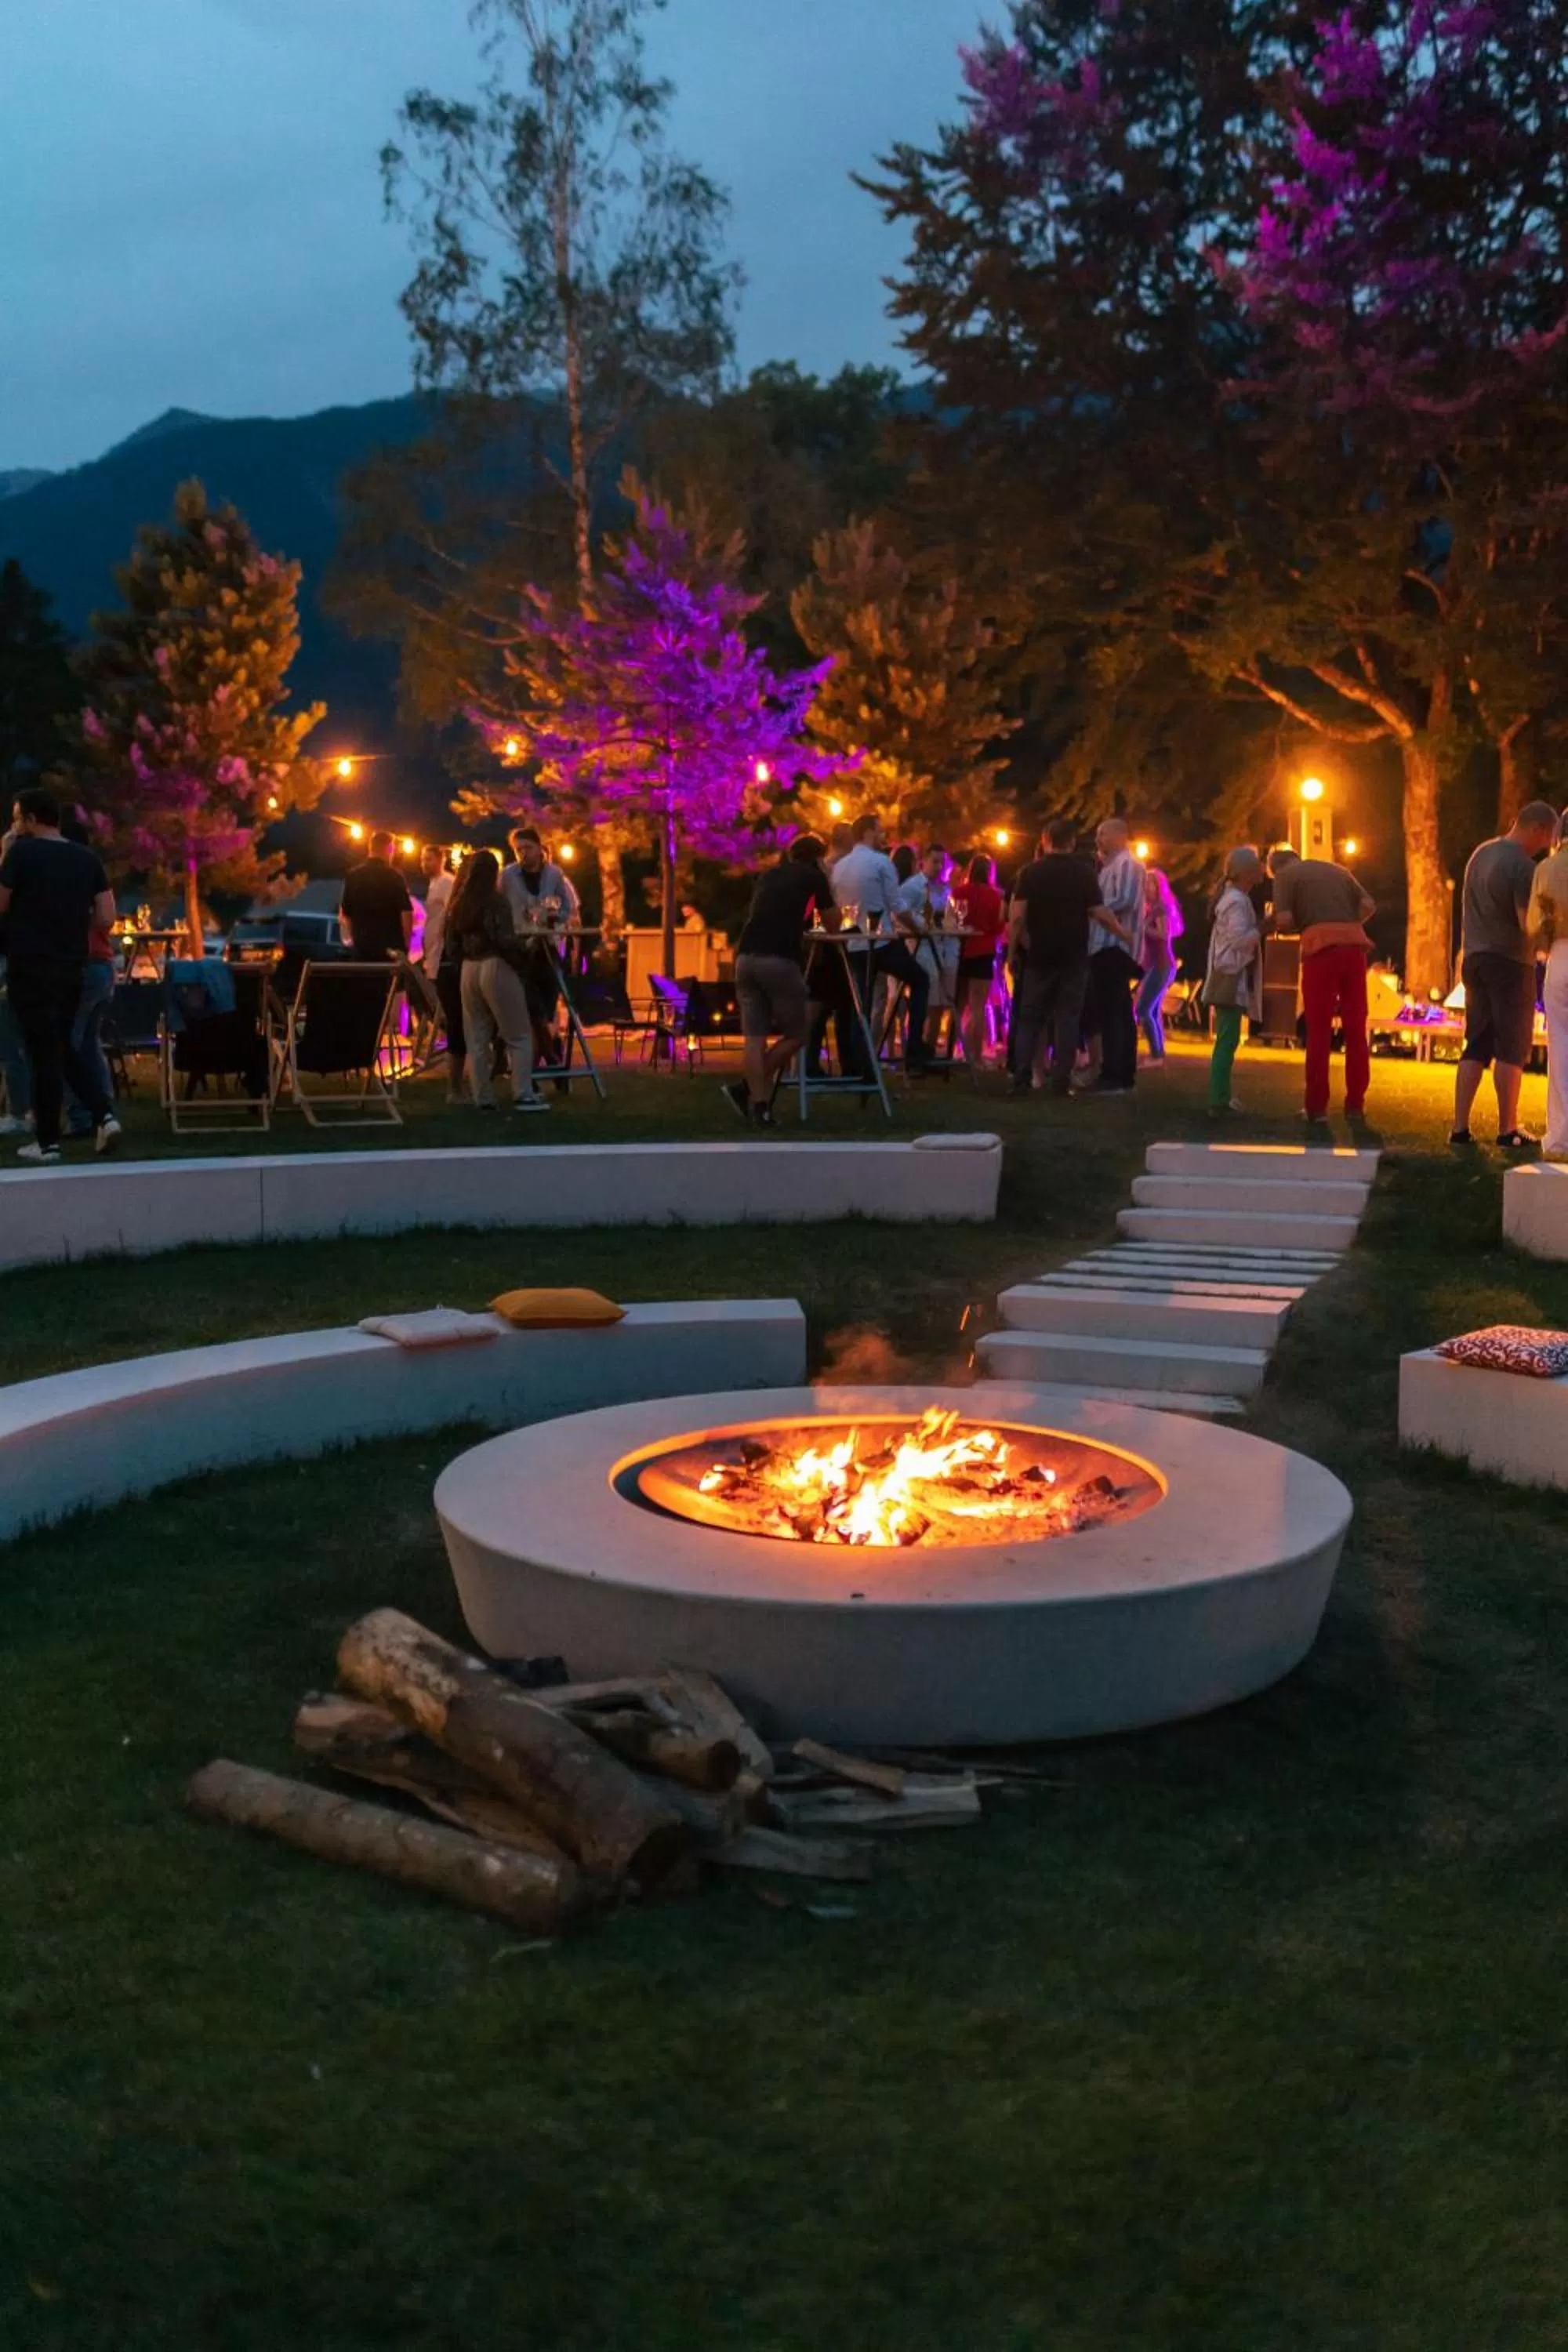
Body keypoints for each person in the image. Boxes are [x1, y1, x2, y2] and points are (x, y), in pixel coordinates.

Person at [0, 786, 121, 1162]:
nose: (15, 824)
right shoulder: (86, 858)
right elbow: (107, 916)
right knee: (62, 1045)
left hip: (30, 964)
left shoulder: (21, 852)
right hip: (72, 965)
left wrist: (5, 851)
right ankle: (104, 1114)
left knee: (41, 1052)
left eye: (18, 817)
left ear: (32, 819)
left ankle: (48, 1142)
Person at [1451, 801, 1559, 1150]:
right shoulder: (1522, 866)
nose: (1546, 847)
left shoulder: (1481, 854)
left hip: (1475, 956)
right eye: (1546, 840)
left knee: (1477, 1042)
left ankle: (1460, 1128)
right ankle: (1507, 1128)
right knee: (1512, 1046)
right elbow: (1525, 921)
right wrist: (1550, 940)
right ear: (1537, 829)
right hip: (1510, 963)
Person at [1007, 818, 1128, 1098]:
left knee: (1030, 1018)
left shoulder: (1030, 873)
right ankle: (1061, 1082)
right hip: (1074, 956)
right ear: (1072, 842)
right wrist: (1125, 935)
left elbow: (1016, 918)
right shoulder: (1085, 874)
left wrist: (1013, 953)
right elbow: (1100, 912)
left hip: (1040, 956)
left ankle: (1022, 1078)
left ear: (1046, 840)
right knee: (1068, 1019)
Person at [728, 833, 839, 1124]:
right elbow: (834, 924)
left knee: (754, 1039)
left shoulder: (769, 875)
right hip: (779, 960)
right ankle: (745, 1088)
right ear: (817, 858)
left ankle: (760, 1107)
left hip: (745, 957)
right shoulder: (814, 878)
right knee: (797, 1034)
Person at [1268, 843, 1376, 1125]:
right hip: (1354, 948)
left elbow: (1285, 920)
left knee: (1319, 1029)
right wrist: (1346, 924)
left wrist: (1302, 925)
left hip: (1320, 951)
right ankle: (1355, 1104)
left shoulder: (1284, 877)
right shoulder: (1337, 870)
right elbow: (1368, 906)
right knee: (1355, 1028)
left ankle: (1317, 1108)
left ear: (1274, 868)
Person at [445, 849, 550, 1112]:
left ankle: (483, 1097)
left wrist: (463, 963)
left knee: (477, 1037)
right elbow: (504, 941)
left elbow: (451, 944)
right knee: (518, 1034)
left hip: (469, 969)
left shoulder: (458, 904)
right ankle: (523, 1094)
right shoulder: (496, 902)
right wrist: (526, 947)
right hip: (495, 966)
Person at [829, 812, 930, 1073]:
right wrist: (918, 928)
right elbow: (896, 906)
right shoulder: (881, 862)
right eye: (879, 831)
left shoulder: (840, 867)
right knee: (920, 980)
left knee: (859, 1004)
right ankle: (915, 1048)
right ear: (866, 833)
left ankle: (857, 1066)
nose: (882, 836)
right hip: (880, 942)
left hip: (852, 943)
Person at [60, 808, 118, 1139]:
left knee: (66, 1045)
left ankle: (82, 1116)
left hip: (82, 967)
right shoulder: (97, 873)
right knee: (89, 1045)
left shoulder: (74, 876)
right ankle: (104, 1109)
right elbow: (108, 918)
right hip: (103, 965)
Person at [1085, 818, 1147, 1094]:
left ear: (1120, 835)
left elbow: (1125, 900)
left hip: (1116, 947)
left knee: (1113, 1012)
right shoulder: (1110, 867)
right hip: (1103, 945)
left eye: (1103, 834)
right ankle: (1121, 1073)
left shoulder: (1129, 866)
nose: (1098, 839)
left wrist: (1093, 908)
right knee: (1118, 1009)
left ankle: (1114, 1075)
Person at [1203, 848, 1265, 1117]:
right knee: (1227, 1040)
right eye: (1256, 867)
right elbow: (1239, 940)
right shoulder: (1237, 902)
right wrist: (1263, 928)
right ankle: (1218, 1099)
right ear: (1245, 873)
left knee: (1228, 1039)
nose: (1261, 870)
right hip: (1230, 975)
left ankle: (1222, 1096)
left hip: (1229, 973)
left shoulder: (1233, 898)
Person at [1529, 814, 1568, 1157]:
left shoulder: (1547, 869)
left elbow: (1535, 923)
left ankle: (1558, 1137)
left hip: (1561, 954)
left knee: (1559, 1046)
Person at [952, 851, 1007, 1069]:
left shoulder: (958, 892)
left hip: (961, 950)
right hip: (984, 951)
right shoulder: (996, 896)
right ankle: (976, 1055)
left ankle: (955, 1050)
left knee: (958, 1004)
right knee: (978, 1006)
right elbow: (1000, 924)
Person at [419, 844, 464, 1103]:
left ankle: (454, 1052)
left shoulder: (447, 883)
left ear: (441, 860)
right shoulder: (434, 884)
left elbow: (450, 916)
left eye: (429, 859)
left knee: (448, 1009)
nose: (424, 864)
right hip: (432, 952)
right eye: (423, 860)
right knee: (440, 1006)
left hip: (442, 953)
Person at [1135, 864, 1184, 1068]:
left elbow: (1165, 935)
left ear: (1158, 888)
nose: (1146, 888)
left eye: (1150, 885)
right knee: (1151, 1011)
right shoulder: (1149, 910)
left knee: (1142, 1009)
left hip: (1162, 965)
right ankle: (1158, 1053)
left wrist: (1144, 929)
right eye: (1144, 884)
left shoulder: (1160, 909)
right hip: (1155, 965)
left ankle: (1156, 1055)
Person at [340, 832, 414, 965]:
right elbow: (406, 913)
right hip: (389, 950)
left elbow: (346, 913)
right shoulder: (395, 877)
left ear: (370, 848)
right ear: (389, 849)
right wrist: (406, 945)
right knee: (387, 985)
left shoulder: (353, 876)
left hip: (362, 949)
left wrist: (354, 939)